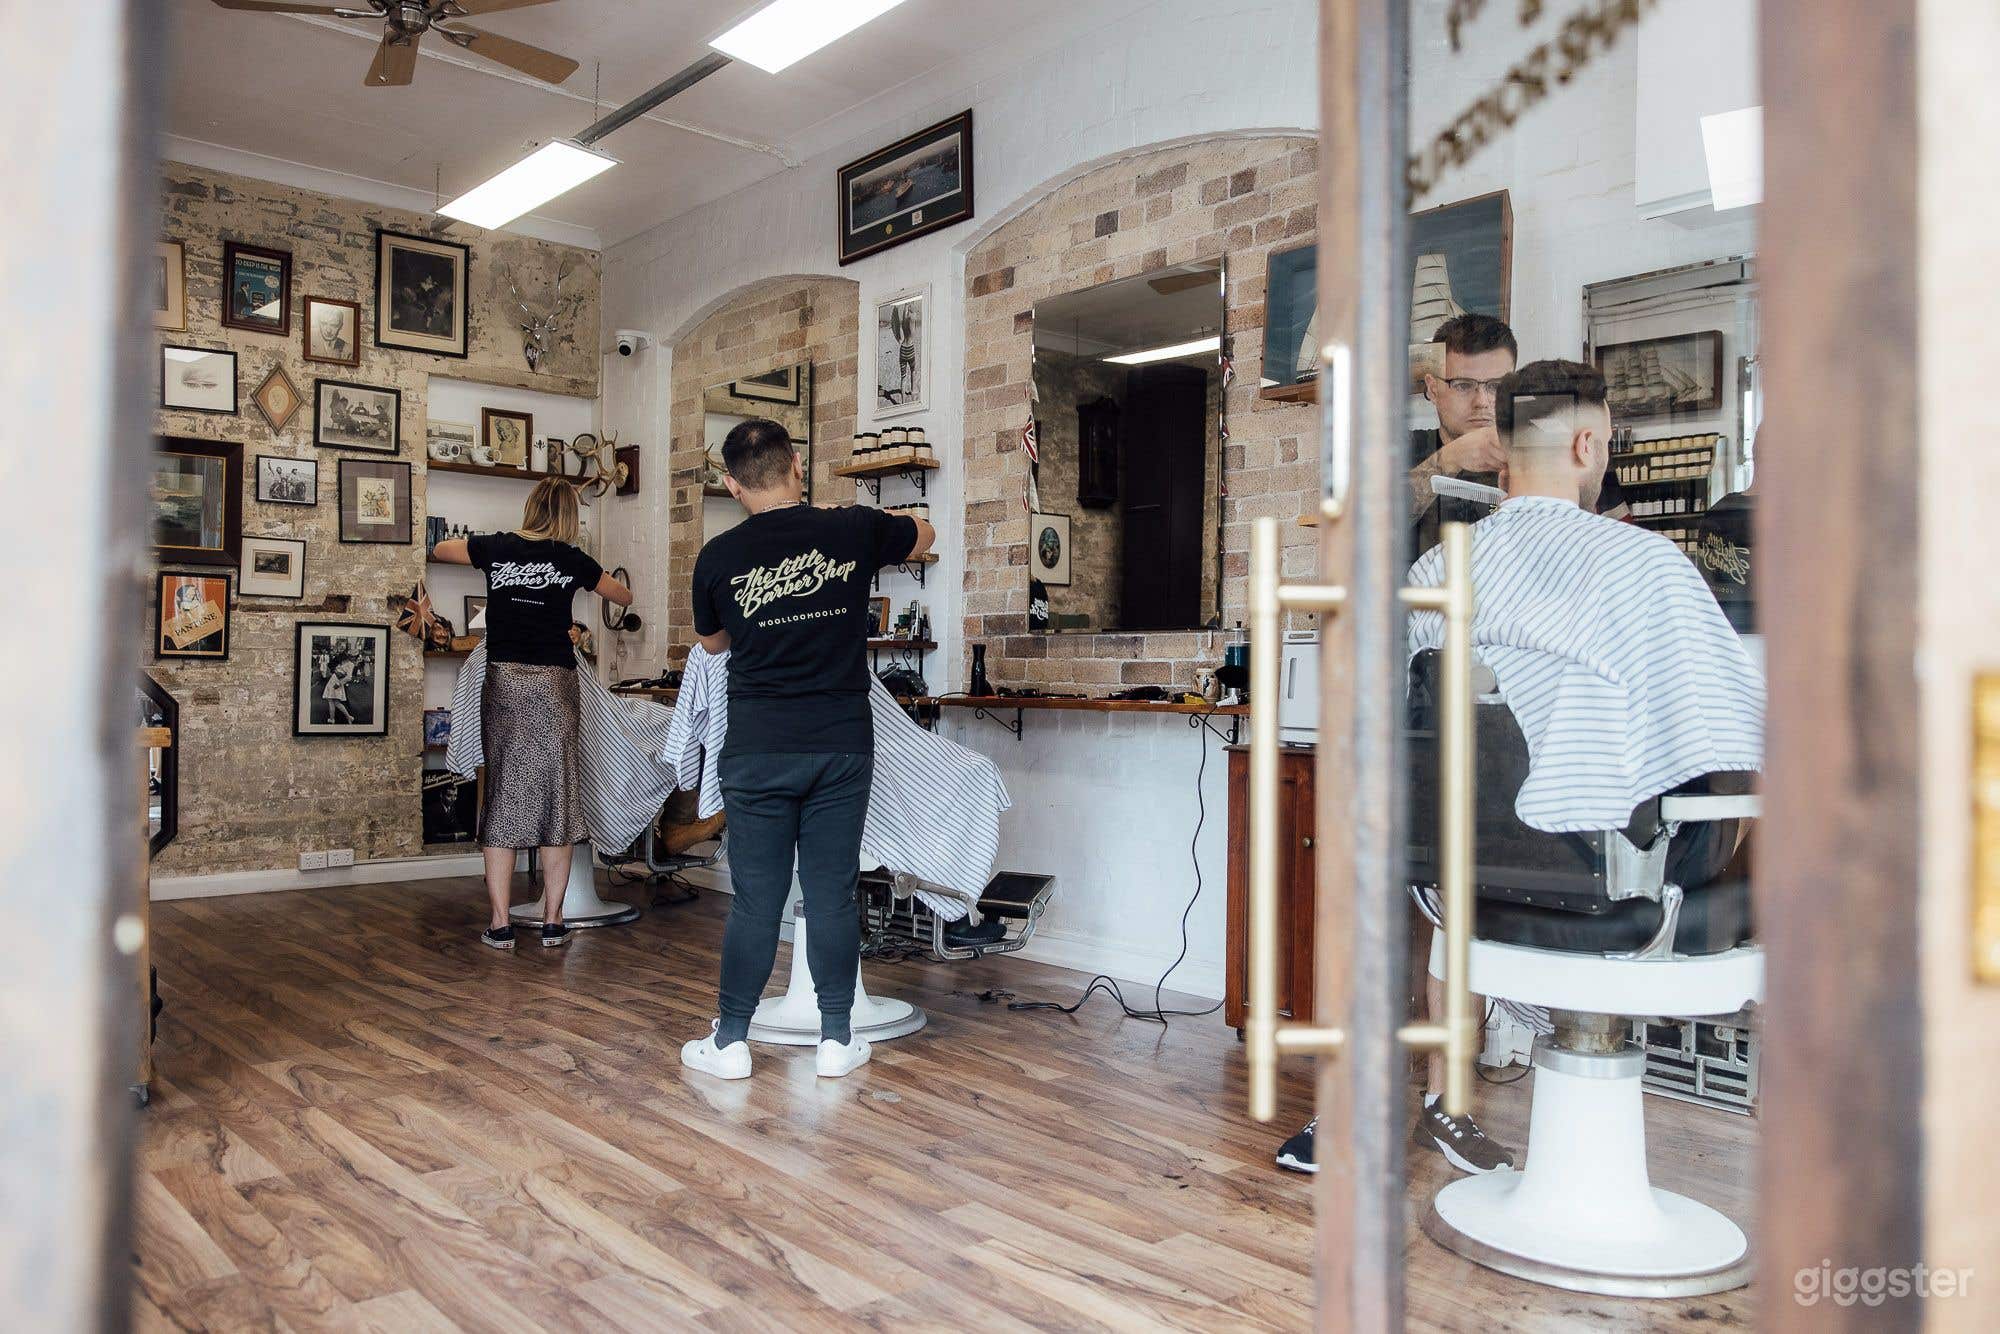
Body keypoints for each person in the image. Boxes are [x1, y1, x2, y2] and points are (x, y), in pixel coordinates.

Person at [679, 419, 935, 1081]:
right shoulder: (850, 529)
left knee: (757, 901)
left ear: (732, 484)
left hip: (759, 747)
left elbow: (711, 645)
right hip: (840, 744)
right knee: (831, 896)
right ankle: (835, 1040)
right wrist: (844, 518)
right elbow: (923, 534)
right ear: (797, 464)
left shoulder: (718, 556)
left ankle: (731, 1043)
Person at [432, 479, 632, 951]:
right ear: (567, 518)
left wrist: (494, 559)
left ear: (530, 508)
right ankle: (553, 920)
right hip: (554, 685)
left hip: (504, 683)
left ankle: (500, 923)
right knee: (557, 796)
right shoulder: (571, 559)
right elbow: (621, 597)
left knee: (503, 794)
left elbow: (440, 548)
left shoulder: (497, 547)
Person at [1406, 313, 1517, 551]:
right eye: (1463, 385)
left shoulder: (1537, 454)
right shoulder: (1402, 449)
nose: (1483, 402)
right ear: (1433, 388)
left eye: (1496, 386)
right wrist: (1448, 459)